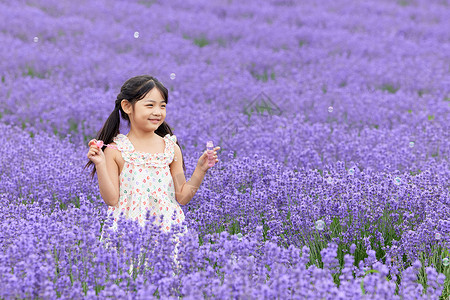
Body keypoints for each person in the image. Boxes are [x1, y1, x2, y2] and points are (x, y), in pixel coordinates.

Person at [84, 74, 220, 274]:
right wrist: (101, 164)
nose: (157, 112)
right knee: (128, 279)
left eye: (162, 106)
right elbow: (112, 199)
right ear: (127, 106)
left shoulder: (171, 148)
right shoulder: (115, 150)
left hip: (167, 229)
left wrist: (200, 170)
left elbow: (182, 196)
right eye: (150, 105)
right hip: (128, 230)